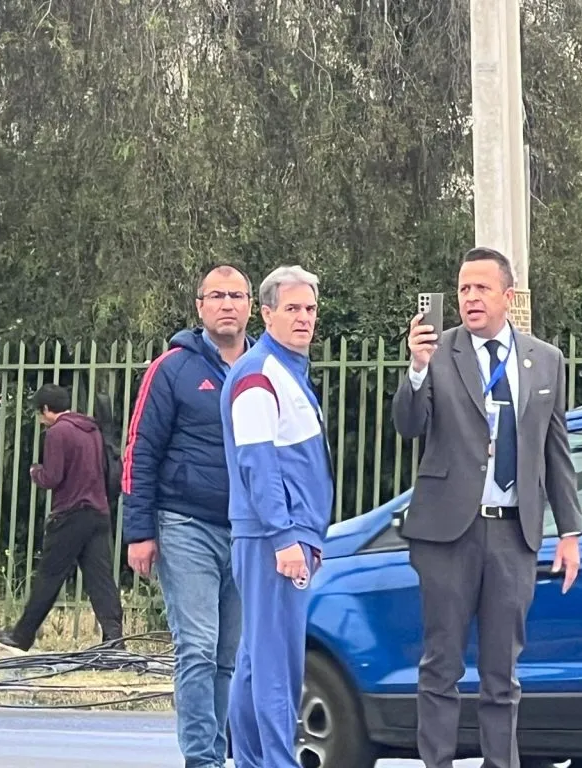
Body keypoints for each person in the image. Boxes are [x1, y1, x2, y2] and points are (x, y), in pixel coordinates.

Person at [392, 247, 582, 768]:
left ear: (507, 295)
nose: (470, 298)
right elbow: (409, 425)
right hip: (447, 535)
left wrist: (570, 533)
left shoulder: (544, 359)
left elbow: (555, 449)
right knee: (441, 668)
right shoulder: (441, 352)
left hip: (512, 536)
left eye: (481, 288)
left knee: (502, 674)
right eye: (463, 289)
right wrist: (416, 368)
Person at [122, 264, 254, 768]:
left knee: (230, 655)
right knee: (197, 648)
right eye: (216, 295)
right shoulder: (172, 368)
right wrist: (139, 531)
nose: (227, 304)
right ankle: (201, 758)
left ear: (250, 306)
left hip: (247, 531)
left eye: (236, 295)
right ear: (200, 307)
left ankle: (221, 751)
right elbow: (140, 450)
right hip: (185, 525)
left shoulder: (265, 367)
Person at [219, 265, 333, 768]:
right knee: (276, 666)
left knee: (254, 662)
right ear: (266, 314)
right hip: (273, 538)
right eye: (292, 308)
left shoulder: (281, 371)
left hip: (279, 536)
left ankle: (250, 761)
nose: (304, 318)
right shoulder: (260, 374)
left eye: (309, 308)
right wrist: (287, 537)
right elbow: (257, 460)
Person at [0, 383, 124, 654]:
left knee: (49, 576)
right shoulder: (91, 430)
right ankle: (113, 637)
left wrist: (35, 472)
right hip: (98, 513)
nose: (40, 419)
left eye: (40, 413)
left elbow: (53, 477)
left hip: (69, 515)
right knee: (101, 578)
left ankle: (21, 636)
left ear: (47, 410)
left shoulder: (58, 433)